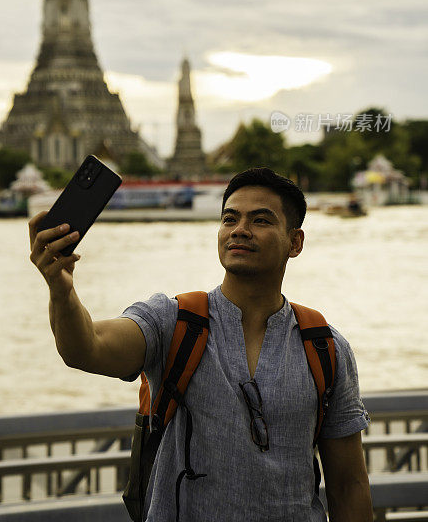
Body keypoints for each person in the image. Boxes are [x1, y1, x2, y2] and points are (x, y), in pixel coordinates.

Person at [29, 166, 373, 521]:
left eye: (261, 221)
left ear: (295, 242)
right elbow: (87, 347)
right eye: (229, 219)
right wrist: (62, 290)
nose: (240, 230)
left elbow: (348, 485)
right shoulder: (173, 321)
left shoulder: (325, 348)